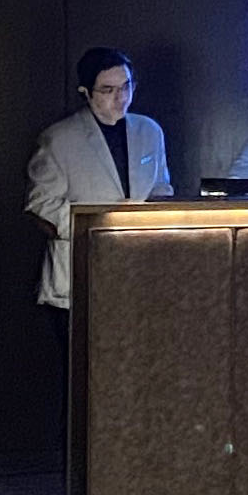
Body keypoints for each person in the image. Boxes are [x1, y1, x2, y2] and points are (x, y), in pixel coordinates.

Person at [27, 46, 170, 309]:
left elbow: (160, 188)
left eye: (126, 86)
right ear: (86, 92)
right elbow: (41, 205)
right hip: (78, 274)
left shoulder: (150, 131)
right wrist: (103, 220)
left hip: (138, 269)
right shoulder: (59, 138)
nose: (121, 97)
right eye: (108, 90)